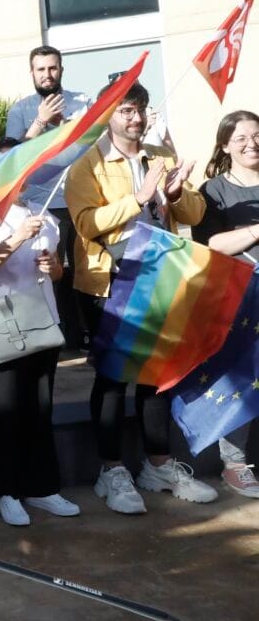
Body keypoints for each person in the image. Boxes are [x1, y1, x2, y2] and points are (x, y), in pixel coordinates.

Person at [66, 81, 216, 514]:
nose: (135, 118)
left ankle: (159, 464)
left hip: (161, 276)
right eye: (127, 110)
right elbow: (85, 223)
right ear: (109, 114)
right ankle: (111, 470)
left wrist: (173, 194)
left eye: (141, 110)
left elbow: (194, 214)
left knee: (157, 375)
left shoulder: (161, 156)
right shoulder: (87, 165)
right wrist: (138, 198)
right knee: (113, 379)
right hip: (111, 279)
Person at [0, 198, 81, 526]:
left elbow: (57, 271)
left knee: (39, 406)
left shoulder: (46, 216)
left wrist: (52, 267)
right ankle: (5, 491)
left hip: (42, 319)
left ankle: (41, 487)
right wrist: (17, 237)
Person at [5, 45, 92, 351]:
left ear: (61, 70)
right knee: (53, 269)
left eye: (52, 68)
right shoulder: (21, 110)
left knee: (84, 268)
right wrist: (41, 121)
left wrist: (65, 125)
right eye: (40, 69)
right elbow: (12, 156)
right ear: (32, 73)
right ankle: (63, 334)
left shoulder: (82, 103)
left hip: (81, 198)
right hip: (41, 203)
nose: (47, 75)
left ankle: (86, 332)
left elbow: (94, 143)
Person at [193, 110, 259, 497]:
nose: (252, 144)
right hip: (242, 297)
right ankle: (235, 465)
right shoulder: (214, 190)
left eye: (257, 135)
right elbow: (212, 244)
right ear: (225, 146)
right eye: (242, 139)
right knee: (241, 379)